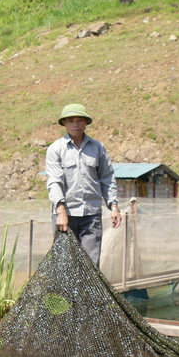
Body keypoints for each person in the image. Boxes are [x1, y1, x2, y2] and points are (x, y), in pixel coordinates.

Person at [45, 103, 121, 267]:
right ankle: (65, 294)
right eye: (71, 120)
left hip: (91, 215)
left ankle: (88, 294)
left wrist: (113, 206)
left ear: (86, 122)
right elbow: (54, 181)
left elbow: (107, 178)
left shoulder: (97, 148)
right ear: (64, 123)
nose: (75, 124)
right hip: (66, 215)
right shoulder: (55, 149)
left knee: (90, 265)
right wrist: (61, 211)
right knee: (64, 264)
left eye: (80, 120)